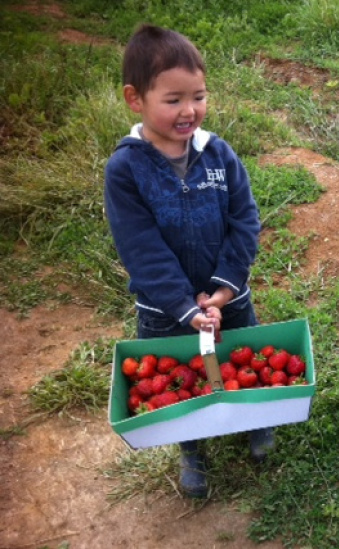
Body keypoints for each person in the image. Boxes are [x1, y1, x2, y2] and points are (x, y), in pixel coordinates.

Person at [104, 24, 274, 498]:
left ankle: (254, 423)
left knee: (242, 362)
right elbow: (140, 248)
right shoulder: (126, 170)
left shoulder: (217, 152)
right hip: (165, 311)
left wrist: (224, 289)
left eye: (198, 96)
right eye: (173, 99)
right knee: (177, 382)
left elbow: (244, 219)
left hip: (228, 297)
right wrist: (187, 307)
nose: (189, 110)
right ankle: (192, 448)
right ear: (135, 99)